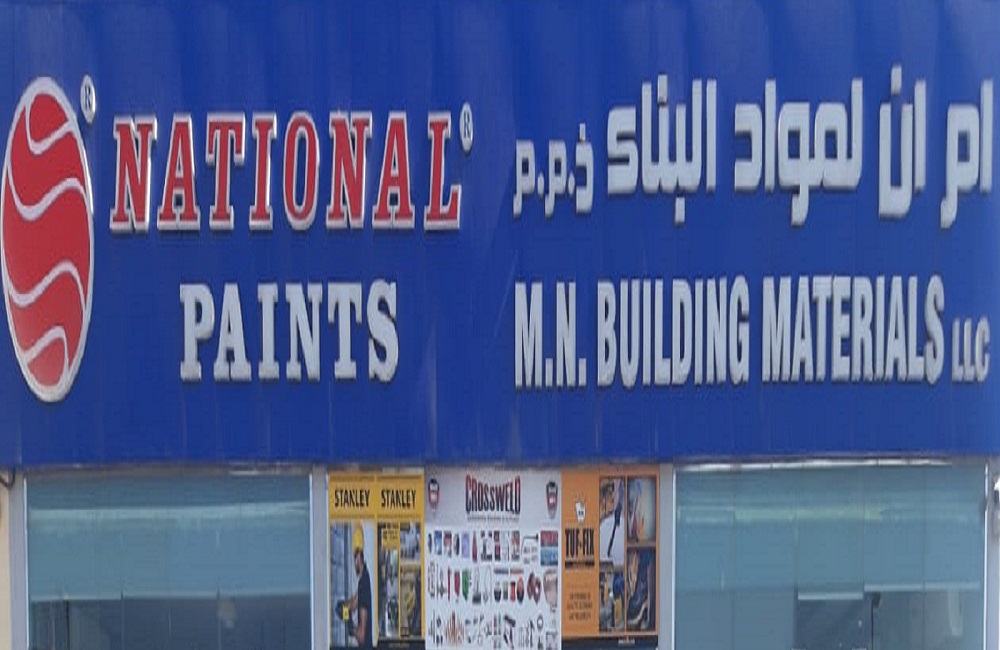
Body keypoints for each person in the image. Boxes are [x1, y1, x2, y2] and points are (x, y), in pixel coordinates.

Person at [347, 525, 374, 648]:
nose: (354, 563)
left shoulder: (363, 585)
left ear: (358, 557)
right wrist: (345, 607)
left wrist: (351, 628)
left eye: (354, 557)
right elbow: (354, 603)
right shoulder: (364, 579)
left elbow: (362, 635)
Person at [607, 480, 623, 559]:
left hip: (618, 508)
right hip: (617, 508)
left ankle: (609, 550)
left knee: (614, 530)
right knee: (614, 530)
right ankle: (609, 551)